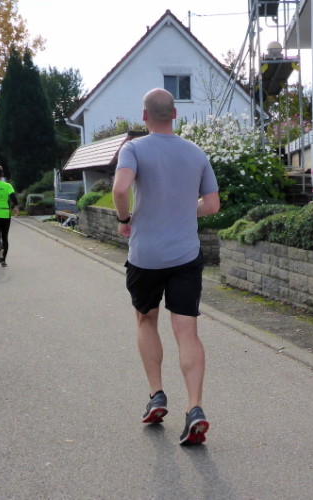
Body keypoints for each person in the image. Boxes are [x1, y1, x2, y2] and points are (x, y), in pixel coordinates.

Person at [113, 88, 220, 445]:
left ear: (144, 116)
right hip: (185, 256)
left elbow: (120, 189)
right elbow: (212, 205)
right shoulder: (196, 153)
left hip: (145, 257)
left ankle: (157, 395)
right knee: (186, 332)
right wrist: (182, 210)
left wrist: (125, 219)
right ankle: (195, 409)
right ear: (175, 114)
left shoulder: (133, 149)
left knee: (146, 320)